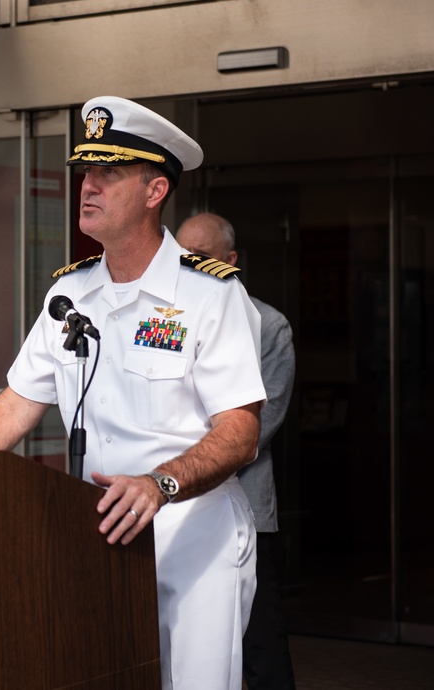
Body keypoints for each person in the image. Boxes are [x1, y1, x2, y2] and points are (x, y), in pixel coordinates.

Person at [0, 96, 266, 690]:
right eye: (86, 173)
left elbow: (240, 432)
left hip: (191, 540)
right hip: (96, 536)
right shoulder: (70, 295)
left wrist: (159, 484)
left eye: (108, 173)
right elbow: (15, 406)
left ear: (154, 192)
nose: (88, 187)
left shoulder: (210, 295)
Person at [176, 212, 297, 690]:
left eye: (200, 257)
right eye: (181, 255)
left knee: (258, 645)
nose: (187, 266)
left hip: (242, 503)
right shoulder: (164, 318)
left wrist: (177, 452)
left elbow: (258, 426)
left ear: (230, 262)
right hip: (169, 508)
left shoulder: (267, 326)